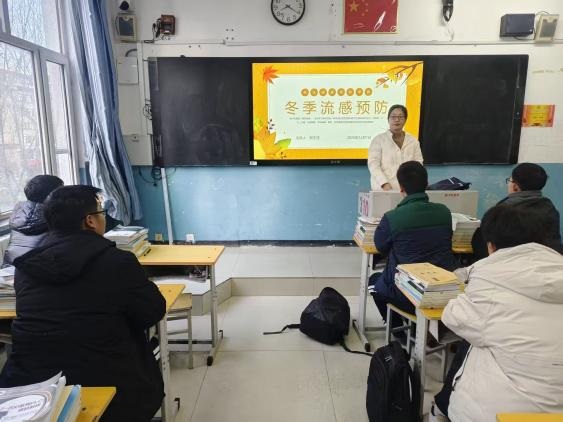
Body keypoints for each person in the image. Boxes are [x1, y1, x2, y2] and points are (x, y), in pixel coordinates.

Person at [0, 185, 166, 422]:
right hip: (109, 378)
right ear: (90, 221)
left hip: (30, 385)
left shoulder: (26, 267)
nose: (104, 218)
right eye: (102, 213)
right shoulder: (118, 262)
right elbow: (153, 311)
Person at [438, 204, 563, 421]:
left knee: (474, 347)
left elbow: (453, 314)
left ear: (490, 245)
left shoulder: (490, 281)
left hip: (506, 413)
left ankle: (440, 408)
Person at [368, 161, 458, 328]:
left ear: (401, 188)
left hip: (408, 294)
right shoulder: (444, 212)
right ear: (427, 183)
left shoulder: (392, 217)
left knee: (374, 281)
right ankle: (418, 328)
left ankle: (397, 331)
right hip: (443, 291)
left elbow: (380, 247)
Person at [472, 162, 562, 258]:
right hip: (550, 260)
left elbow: (484, 244)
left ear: (515, 187)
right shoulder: (549, 207)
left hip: (511, 262)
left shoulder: (503, 211)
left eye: (509, 180)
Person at [1, 175, 63, 267]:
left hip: (9, 268)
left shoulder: (20, 212)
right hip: (40, 271)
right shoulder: (57, 215)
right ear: (52, 195)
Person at [368, 104, 423, 191]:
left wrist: (414, 183)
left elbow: (418, 164)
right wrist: (384, 184)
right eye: (393, 117)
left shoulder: (413, 141)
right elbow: (373, 165)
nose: (397, 120)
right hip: (383, 189)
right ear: (388, 119)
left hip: (408, 190)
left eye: (400, 117)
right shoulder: (378, 140)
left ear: (405, 119)